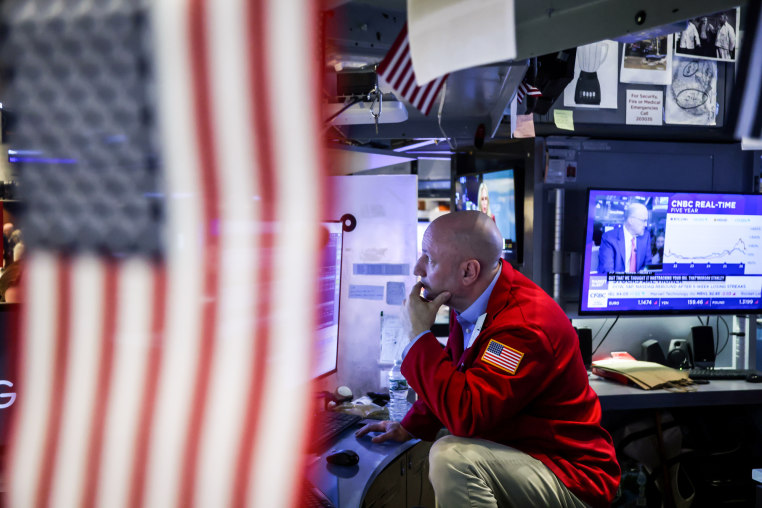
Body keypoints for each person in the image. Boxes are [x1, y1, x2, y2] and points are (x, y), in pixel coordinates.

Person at [356, 211, 620, 508]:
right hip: (524, 453)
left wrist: (418, 336)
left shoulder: (523, 328)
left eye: (429, 258)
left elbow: (467, 414)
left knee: (452, 458)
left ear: (468, 271)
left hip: (571, 476)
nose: (418, 269)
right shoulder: (475, 299)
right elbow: (456, 369)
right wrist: (410, 426)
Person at [597, 202, 652, 273]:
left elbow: (648, 267)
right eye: (643, 221)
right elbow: (607, 271)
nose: (646, 225)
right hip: (616, 282)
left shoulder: (645, 236)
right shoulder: (609, 238)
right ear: (631, 221)